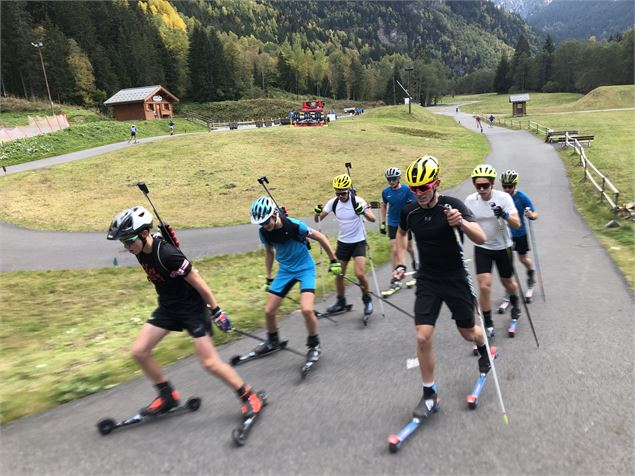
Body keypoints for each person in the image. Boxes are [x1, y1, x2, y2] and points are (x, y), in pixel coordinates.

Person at [106, 206, 264, 420]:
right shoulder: (141, 249)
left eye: (128, 240)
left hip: (192, 310)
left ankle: (249, 396)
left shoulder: (168, 254)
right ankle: (167, 396)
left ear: (144, 234)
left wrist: (216, 311)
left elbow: (197, 280)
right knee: (139, 351)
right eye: (122, 242)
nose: (126, 247)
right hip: (168, 308)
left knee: (209, 362)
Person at [393, 155, 491, 418]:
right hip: (428, 279)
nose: (418, 194)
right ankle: (429, 393)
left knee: (468, 332)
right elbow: (401, 235)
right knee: (422, 336)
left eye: (423, 188)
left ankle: (483, 347)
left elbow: (481, 237)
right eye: (414, 189)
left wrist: (461, 222)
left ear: (436, 183)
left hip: (454, 277)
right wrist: (400, 263)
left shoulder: (452, 207)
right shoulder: (409, 212)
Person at [249, 196, 340, 364]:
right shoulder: (264, 232)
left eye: (266, 221)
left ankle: (314, 345)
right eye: (261, 223)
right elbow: (269, 253)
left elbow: (320, 237)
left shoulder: (294, 225)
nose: (265, 226)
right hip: (285, 271)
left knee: (306, 310)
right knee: (269, 311)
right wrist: (269, 276)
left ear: (274, 214)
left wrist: (333, 260)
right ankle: (273, 341)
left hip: (305, 268)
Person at [465, 164, 521, 336]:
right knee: (484, 285)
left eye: (485, 186)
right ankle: (488, 323)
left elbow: (517, 224)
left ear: (492, 184)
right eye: (478, 186)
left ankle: (515, 304)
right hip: (482, 247)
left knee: (507, 282)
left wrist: (504, 214)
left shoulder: (504, 198)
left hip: (503, 246)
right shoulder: (470, 201)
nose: (481, 189)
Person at [314, 174, 376, 316]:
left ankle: (367, 300)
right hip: (343, 243)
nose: (340, 196)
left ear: (348, 190)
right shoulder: (333, 203)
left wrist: (363, 212)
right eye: (337, 193)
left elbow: (372, 219)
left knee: (359, 273)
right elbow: (318, 220)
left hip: (358, 242)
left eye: (343, 193)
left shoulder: (358, 201)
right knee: (339, 274)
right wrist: (316, 213)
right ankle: (341, 302)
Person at [500, 170, 538, 288]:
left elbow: (535, 213)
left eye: (509, 186)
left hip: (519, 233)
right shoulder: (501, 197)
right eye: (504, 186)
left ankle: (530, 272)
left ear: (515, 185)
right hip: (506, 234)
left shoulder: (521, 197)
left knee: (523, 259)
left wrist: (531, 215)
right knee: (507, 263)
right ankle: (510, 287)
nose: (507, 189)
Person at [380, 167, 417, 287]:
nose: (391, 182)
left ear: (399, 179)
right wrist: (382, 222)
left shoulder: (407, 190)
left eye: (393, 179)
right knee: (395, 249)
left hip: (405, 223)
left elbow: (413, 205)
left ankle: (416, 265)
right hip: (392, 223)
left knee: (409, 248)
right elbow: (384, 206)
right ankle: (394, 277)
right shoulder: (386, 192)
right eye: (389, 179)